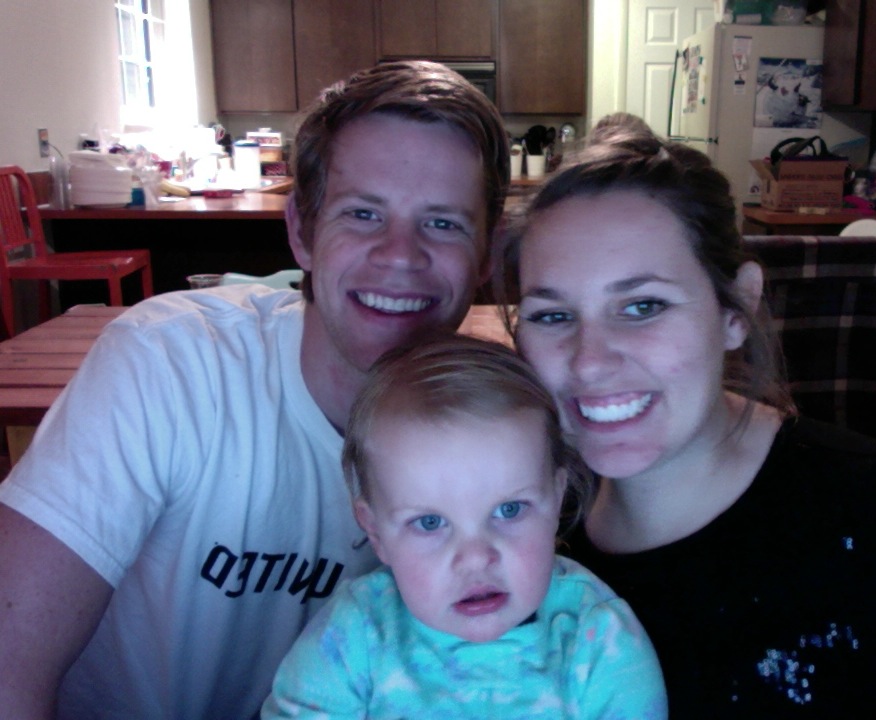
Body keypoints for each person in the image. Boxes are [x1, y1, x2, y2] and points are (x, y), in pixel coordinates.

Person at [495, 123, 876, 717]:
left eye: (643, 306)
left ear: (738, 308)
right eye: (552, 316)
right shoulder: (517, 523)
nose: (590, 361)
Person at [0, 61, 510, 720]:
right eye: (363, 214)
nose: (400, 255)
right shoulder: (170, 367)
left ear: (488, 253)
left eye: (442, 223)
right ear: (301, 231)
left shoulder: (505, 435)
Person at [261, 335, 667, 718]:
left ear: (556, 498)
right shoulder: (355, 635)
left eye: (509, 510)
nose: (475, 558)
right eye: (430, 522)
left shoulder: (596, 638)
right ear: (376, 531)